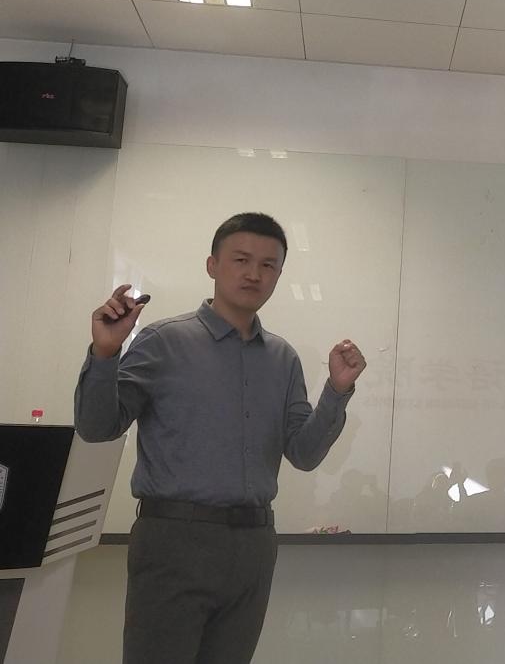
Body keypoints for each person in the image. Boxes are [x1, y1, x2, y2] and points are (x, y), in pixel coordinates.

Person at [74, 212, 367, 664]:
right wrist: (105, 352)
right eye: (241, 260)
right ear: (212, 265)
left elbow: (304, 454)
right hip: (174, 539)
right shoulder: (163, 341)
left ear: (279, 275)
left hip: (254, 545)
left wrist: (337, 391)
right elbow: (97, 427)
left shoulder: (283, 358)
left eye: (268, 265)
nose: (254, 274)